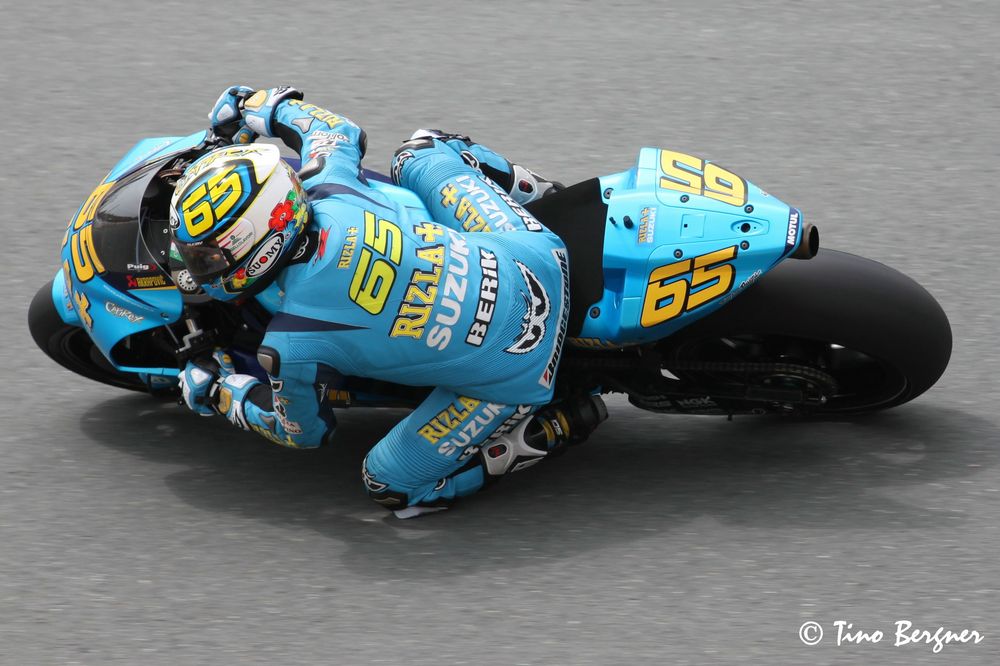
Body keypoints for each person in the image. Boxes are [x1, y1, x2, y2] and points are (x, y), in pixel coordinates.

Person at [172, 86, 606, 517]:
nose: (197, 266)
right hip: (537, 253)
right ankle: (547, 198)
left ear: (257, 245)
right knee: (420, 150)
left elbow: (303, 432)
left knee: (389, 484)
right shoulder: (330, 184)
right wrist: (253, 106)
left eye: (207, 255)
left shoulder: (290, 345)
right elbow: (334, 128)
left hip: (519, 373)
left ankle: (549, 429)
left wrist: (223, 393)